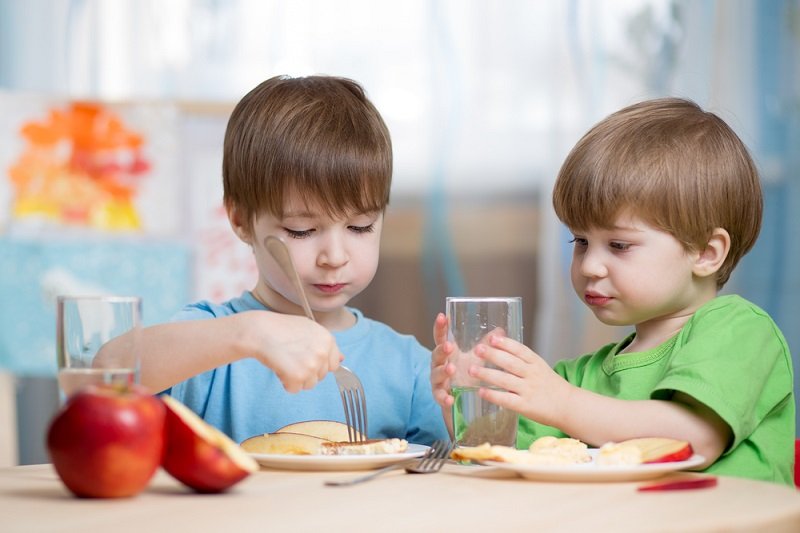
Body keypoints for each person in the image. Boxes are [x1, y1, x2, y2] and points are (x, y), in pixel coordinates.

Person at [430, 97, 795, 484]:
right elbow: (498, 455)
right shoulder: (578, 377)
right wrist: (466, 398)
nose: (589, 265)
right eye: (580, 241)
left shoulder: (740, 331)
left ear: (706, 253)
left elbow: (695, 439)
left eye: (619, 245)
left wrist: (562, 403)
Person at [105, 75, 448, 446]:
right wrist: (248, 334)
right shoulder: (214, 340)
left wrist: (461, 410)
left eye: (360, 226)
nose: (334, 257)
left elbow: (446, 468)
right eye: (302, 230)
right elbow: (104, 372)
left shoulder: (409, 366)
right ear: (240, 220)